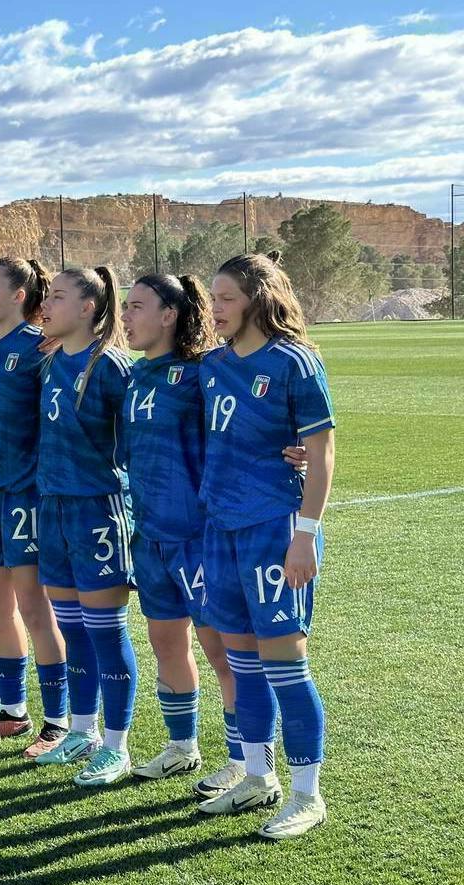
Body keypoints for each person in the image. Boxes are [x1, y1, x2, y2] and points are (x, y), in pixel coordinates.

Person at [196, 252, 335, 840]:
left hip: (274, 527)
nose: (216, 309)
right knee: (241, 659)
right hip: (218, 527)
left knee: (284, 659)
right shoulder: (210, 366)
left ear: (257, 298)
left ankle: (308, 794)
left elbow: (322, 452)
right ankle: (258, 775)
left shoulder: (294, 361)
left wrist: (304, 534)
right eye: (212, 299)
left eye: (226, 298)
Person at [119, 273, 244, 795]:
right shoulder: (134, 376)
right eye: (124, 307)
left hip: (197, 536)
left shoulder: (202, 374)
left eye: (137, 307)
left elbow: (244, 429)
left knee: (223, 653)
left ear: (169, 314)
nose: (126, 316)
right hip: (150, 535)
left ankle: (244, 761)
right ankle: (182, 747)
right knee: (166, 642)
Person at [0, 258, 70, 755]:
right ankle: (11, 709)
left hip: (26, 494)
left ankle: (60, 718)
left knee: (34, 608)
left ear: (21, 294)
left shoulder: (39, 350)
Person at [34, 266, 136, 786]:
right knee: (71, 627)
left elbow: (138, 442)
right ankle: (82, 728)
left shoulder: (111, 366)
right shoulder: (52, 361)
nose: (45, 305)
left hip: (96, 509)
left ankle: (116, 746)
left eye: (56, 297)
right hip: (51, 507)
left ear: (89, 308)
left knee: (104, 631)